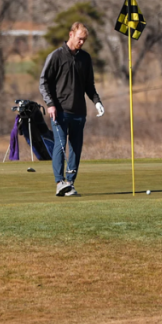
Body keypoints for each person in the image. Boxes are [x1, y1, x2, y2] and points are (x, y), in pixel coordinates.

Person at [39, 22, 104, 197]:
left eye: (84, 40)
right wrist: (50, 104)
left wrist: (97, 101)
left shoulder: (85, 58)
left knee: (76, 148)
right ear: (71, 35)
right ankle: (59, 182)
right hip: (59, 111)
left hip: (79, 112)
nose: (81, 43)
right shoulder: (56, 56)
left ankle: (70, 183)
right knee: (60, 147)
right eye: (79, 39)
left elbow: (89, 85)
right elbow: (44, 82)